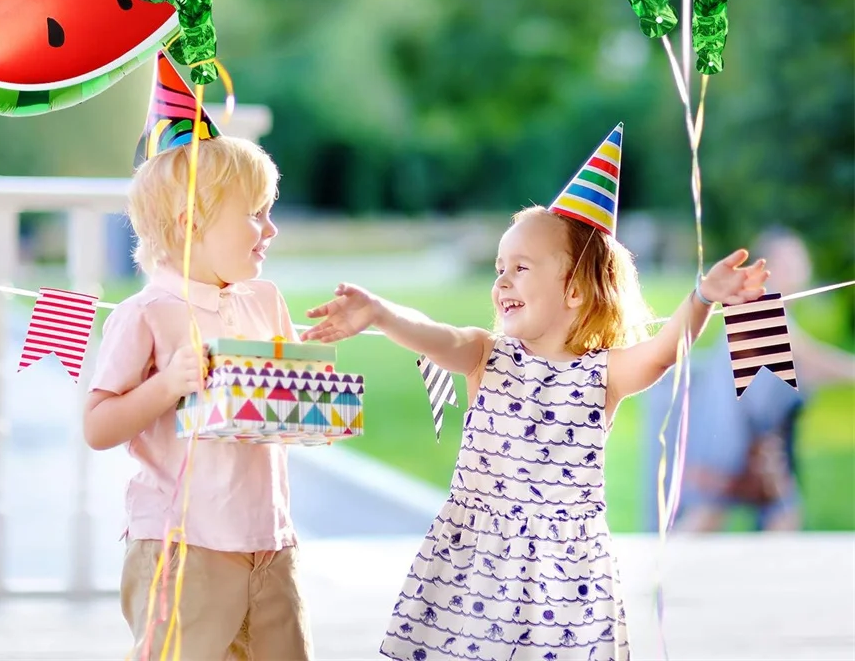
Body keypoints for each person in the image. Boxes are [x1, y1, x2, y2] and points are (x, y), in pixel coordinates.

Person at [304, 125, 768, 661]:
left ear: (574, 288)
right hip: (475, 567)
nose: (501, 281)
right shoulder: (485, 354)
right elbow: (437, 335)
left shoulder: (603, 374)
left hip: (563, 578)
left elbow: (663, 352)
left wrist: (702, 297)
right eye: (500, 269)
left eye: (520, 269)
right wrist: (382, 314)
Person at [83, 130, 312, 660]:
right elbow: (98, 426)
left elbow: (291, 410)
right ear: (191, 227)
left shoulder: (265, 299)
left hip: (268, 538)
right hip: (184, 543)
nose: (271, 228)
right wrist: (167, 384)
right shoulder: (147, 312)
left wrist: (311, 383)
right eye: (256, 213)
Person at [674, 227, 855, 533]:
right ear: (765, 267)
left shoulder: (774, 308)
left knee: (780, 513)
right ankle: (662, 577)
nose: (797, 268)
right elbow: (807, 359)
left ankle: (772, 578)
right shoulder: (758, 304)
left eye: (799, 260)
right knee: (710, 513)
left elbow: (802, 373)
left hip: (757, 438)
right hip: (729, 435)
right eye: (787, 261)